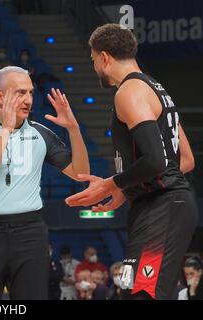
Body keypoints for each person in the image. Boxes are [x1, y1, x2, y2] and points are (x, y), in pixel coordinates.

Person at [65, 23, 199, 300]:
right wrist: (127, 189)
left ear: (104, 57)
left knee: (140, 295)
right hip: (160, 206)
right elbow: (184, 160)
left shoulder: (129, 92)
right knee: (131, 291)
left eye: (93, 61)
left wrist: (110, 185)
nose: (94, 68)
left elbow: (156, 161)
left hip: (163, 207)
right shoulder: (156, 89)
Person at [0, 66, 89, 300]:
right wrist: (7, 130)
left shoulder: (42, 134)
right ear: (0, 97)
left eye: (30, 93)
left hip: (31, 233)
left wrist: (74, 129)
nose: (28, 100)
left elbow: (81, 174)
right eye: (20, 93)